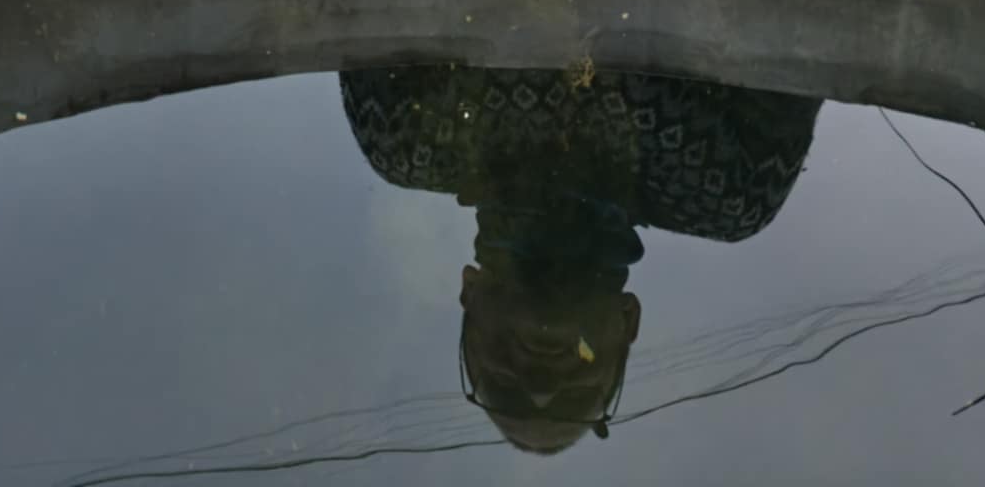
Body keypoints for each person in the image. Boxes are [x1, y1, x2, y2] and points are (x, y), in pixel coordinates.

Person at [340, 61, 820, 454]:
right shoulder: (734, 193)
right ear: (628, 321)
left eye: (505, 390)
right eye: (575, 397)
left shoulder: (402, 137)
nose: (541, 388)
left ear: (468, 290)